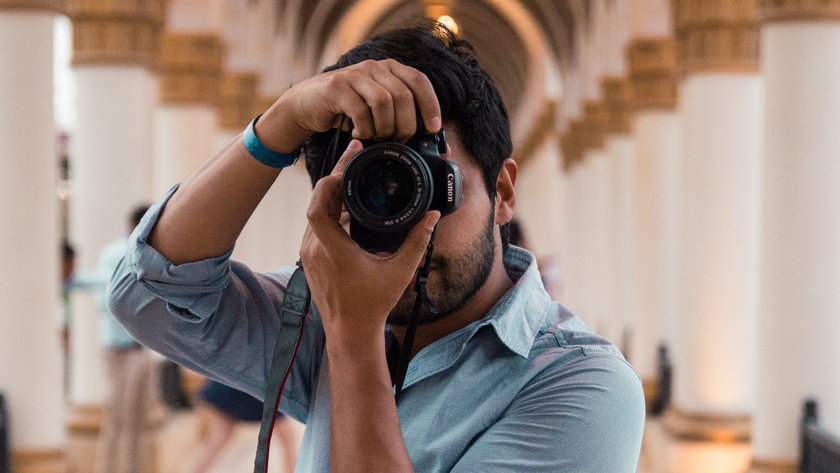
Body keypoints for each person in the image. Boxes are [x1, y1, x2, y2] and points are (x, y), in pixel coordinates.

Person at [108, 25, 645, 472]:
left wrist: (355, 335)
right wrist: (282, 120)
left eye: (432, 185)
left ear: (503, 192)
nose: (411, 224)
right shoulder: (323, 316)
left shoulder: (582, 386)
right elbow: (150, 295)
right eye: (375, 189)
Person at [89, 205, 155, 473]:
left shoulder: (151, 255)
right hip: (120, 350)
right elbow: (106, 302)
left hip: (142, 349)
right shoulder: (114, 254)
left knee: (139, 421)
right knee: (118, 420)